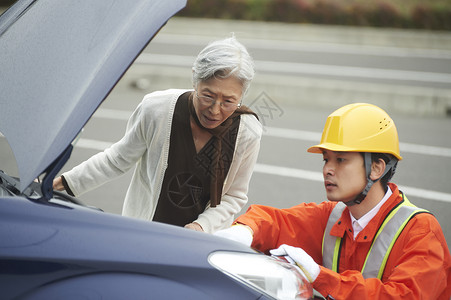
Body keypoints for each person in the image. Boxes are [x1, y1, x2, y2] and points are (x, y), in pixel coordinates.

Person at [215, 103, 451, 299]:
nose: (327, 169)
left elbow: (402, 296)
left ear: (377, 168)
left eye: (340, 160)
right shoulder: (333, 216)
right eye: (326, 159)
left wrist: (320, 276)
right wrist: (245, 231)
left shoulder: (421, 232)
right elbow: (274, 220)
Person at [53, 36, 262, 233]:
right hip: (144, 232)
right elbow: (117, 159)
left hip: (202, 241)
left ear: (242, 95)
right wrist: (61, 182)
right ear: (194, 80)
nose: (215, 110)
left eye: (228, 101)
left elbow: (233, 196)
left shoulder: (247, 131)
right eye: (207, 96)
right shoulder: (157, 109)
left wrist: (201, 227)